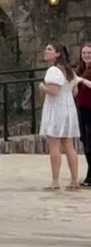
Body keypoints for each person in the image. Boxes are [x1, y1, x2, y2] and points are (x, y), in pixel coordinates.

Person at [38, 42, 88, 190]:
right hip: (68, 108)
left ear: (58, 53)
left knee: (54, 144)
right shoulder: (69, 70)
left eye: (49, 49)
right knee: (69, 145)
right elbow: (75, 92)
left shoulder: (53, 70)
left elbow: (54, 91)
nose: (46, 51)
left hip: (56, 109)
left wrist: (43, 87)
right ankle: (74, 179)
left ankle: (55, 181)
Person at [73, 43, 91, 187]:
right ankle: (89, 176)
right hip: (82, 109)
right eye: (84, 53)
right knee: (85, 143)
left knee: (90, 144)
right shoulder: (79, 70)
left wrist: (82, 80)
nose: (86, 55)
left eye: (89, 53)